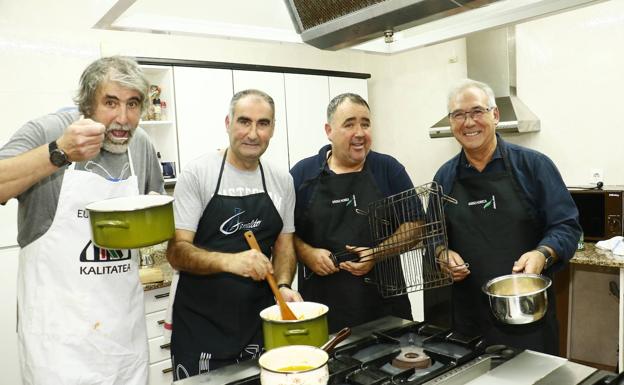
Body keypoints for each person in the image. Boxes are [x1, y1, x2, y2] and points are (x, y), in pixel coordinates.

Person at [0, 56, 164, 384]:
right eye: (110, 102)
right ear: (87, 102)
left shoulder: (140, 145)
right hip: (59, 349)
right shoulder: (46, 130)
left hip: (123, 339)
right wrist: (59, 152)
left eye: (133, 104)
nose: (123, 118)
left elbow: (153, 210)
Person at [429, 78, 581, 354]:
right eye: (459, 115)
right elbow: (433, 237)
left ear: (494, 115)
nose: (469, 122)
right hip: (469, 319)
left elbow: (567, 227)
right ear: (451, 123)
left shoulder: (534, 166)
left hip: (527, 314)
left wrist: (542, 254)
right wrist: (442, 255)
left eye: (477, 111)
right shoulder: (444, 177)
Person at [166, 89, 301, 379]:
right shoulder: (198, 174)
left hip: (258, 325)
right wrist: (230, 262)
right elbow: (176, 251)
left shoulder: (281, 180)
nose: (253, 133)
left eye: (263, 123)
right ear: (228, 123)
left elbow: (285, 245)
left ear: (273, 129)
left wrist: (285, 285)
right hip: (201, 328)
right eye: (244, 121)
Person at [290, 93, 418, 333]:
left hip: (386, 307)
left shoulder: (388, 169)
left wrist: (378, 253)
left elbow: (416, 226)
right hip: (321, 307)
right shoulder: (302, 174)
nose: (360, 132)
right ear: (329, 130)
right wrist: (307, 253)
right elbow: (284, 234)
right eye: (349, 124)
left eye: (365, 124)